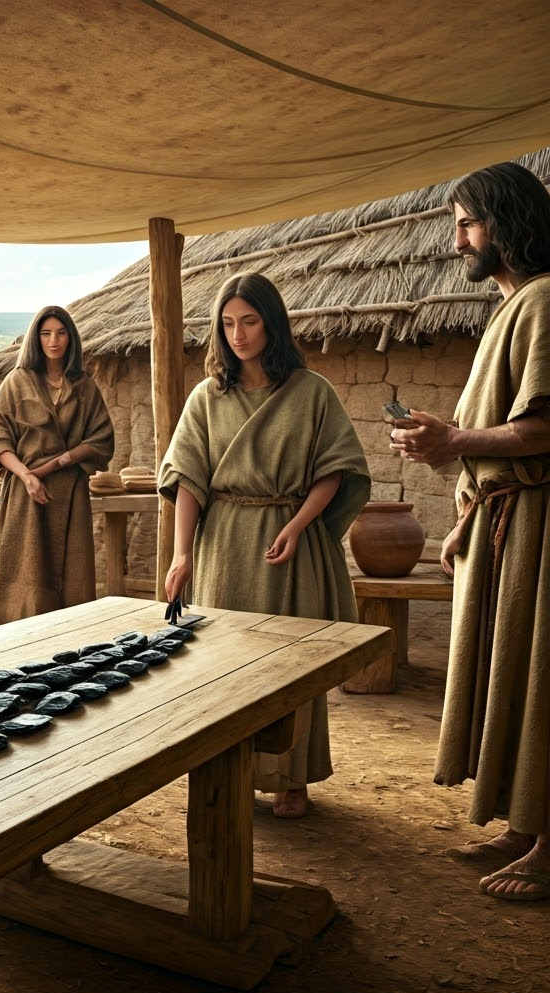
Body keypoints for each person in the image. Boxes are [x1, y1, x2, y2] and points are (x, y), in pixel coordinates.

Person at [389, 161, 550, 900]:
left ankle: (547, 848)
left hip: (541, 530)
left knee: (541, 676)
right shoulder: (514, 306)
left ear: (506, 221)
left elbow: (541, 428)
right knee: (514, 675)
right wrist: (462, 522)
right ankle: (525, 823)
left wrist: (454, 442)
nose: (458, 240)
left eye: (468, 222)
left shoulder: (547, 299)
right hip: (504, 525)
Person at [159, 272, 370, 818]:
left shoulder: (311, 391)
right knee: (222, 665)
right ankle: (229, 774)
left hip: (288, 545)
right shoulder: (208, 396)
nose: (238, 334)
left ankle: (291, 779)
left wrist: (299, 525)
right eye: (227, 323)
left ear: (271, 323)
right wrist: (183, 554)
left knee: (288, 665)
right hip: (224, 545)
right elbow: (187, 478)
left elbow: (336, 469)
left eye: (249, 321)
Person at [0, 305, 115, 625]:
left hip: (70, 492)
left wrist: (61, 461)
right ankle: (16, 644)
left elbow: (102, 439)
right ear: (36, 338)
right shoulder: (16, 382)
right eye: (45, 333)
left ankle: (69, 646)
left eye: (60, 333)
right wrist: (27, 475)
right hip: (25, 494)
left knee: (72, 574)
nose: (53, 340)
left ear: (71, 338)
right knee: (25, 573)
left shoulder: (84, 385)